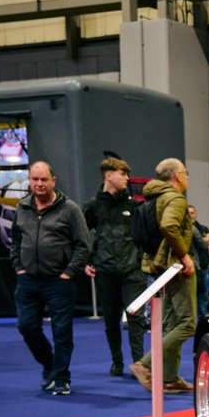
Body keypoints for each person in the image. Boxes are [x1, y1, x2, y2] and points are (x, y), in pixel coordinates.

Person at [9, 160, 91, 396]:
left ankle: (62, 377)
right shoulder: (22, 207)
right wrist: (18, 267)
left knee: (62, 332)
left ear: (53, 181)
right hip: (28, 280)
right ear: (29, 181)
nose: (39, 184)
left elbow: (83, 245)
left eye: (44, 179)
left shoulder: (70, 209)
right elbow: (15, 241)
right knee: (26, 327)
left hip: (59, 281)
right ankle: (49, 364)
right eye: (35, 179)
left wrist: (68, 273)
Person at [129, 158, 196, 395]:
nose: (187, 177)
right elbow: (169, 226)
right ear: (177, 176)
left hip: (156, 267)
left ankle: (169, 378)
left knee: (169, 324)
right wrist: (185, 255)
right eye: (186, 173)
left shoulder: (153, 196)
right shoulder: (175, 199)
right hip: (175, 267)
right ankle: (144, 364)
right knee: (188, 324)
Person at [83, 156, 145, 376]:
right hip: (105, 270)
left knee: (137, 317)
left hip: (132, 270)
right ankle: (116, 362)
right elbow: (81, 235)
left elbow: (143, 234)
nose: (128, 178)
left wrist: (141, 260)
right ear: (109, 175)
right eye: (123, 173)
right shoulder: (93, 206)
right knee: (110, 320)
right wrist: (88, 260)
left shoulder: (134, 205)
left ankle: (139, 363)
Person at [188, 205, 209, 318]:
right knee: (190, 296)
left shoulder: (203, 228)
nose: (191, 215)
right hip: (190, 267)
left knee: (203, 294)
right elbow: (202, 243)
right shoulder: (186, 229)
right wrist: (205, 240)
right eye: (188, 213)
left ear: (196, 214)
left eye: (193, 212)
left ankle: (203, 317)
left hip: (203, 267)